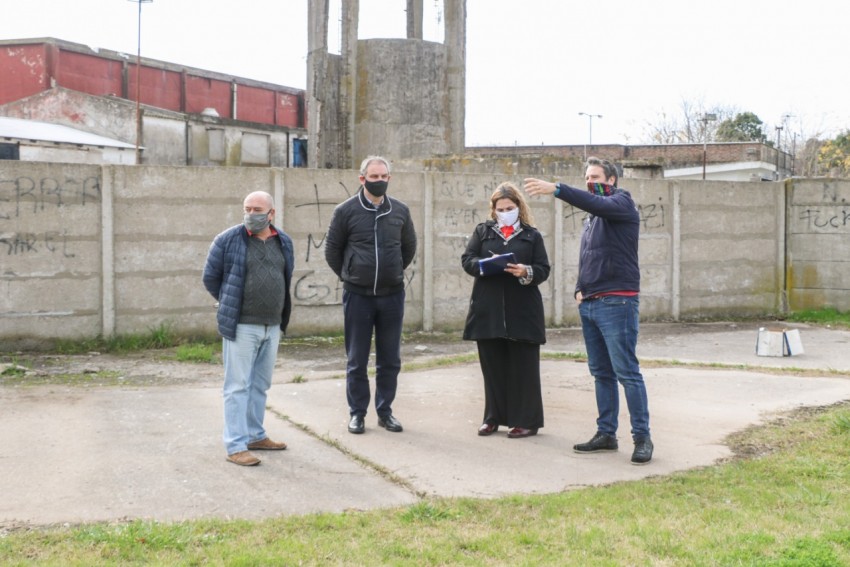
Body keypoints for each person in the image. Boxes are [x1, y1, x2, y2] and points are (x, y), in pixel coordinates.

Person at [524, 157, 653, 465]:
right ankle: (606, 434)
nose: (589, 181)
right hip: (591, 303)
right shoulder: (592, 220)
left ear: (611, 180)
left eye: (595, 176)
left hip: (618, 302)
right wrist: (579, 290)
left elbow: (598, 203)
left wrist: (557, 189)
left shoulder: (622, 204)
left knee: (627, 373)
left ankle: (642, 437)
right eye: (586, 177)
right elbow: (589, 257)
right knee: (601, 373)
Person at [324, 155, 417, 435]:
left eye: (383, 177)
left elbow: (408, 248)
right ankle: (357, 413)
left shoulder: (400, 211)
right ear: (362, 178)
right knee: (357, 359)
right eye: (373, 177)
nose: (379, 181)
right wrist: (351, 275)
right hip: (358, 296)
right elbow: (332, 251)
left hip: (392, 296)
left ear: (389, 178)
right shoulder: (345, 211)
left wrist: (393, 271)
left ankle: (385, 411)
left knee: (390, 359)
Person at [202, 191, 294, 466]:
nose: (251, 214)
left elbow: (284, 276)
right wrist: (229, 301)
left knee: (260, 385)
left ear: (271, 214)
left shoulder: (284, 241)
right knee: (237, 387)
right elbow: (210, 277)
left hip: (272, 325)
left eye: (258, 209)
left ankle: (255, 435)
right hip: (242, 326)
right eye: (247, 208)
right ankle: (235, 446)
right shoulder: (228, 239)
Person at [461, 182, 550, 439]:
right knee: (493, 368)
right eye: (500, 208)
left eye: (510, 207)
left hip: (523, 312)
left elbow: (543, 269)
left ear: (519, 207)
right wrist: (484, 265)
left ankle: (527, 421)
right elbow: (467, 260)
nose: (505, 212)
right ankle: (493, 419)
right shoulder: (483, 232)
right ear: (493, 210)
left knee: (524, 369)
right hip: (488, 311)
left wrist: (526, 271)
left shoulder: (532, 236)